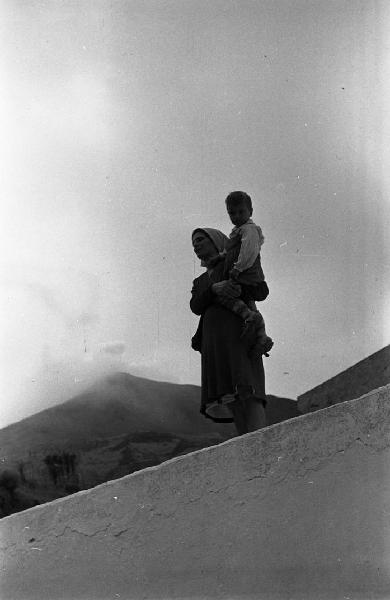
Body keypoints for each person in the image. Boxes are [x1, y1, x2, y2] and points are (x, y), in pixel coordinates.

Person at [191, 227, 267, 435]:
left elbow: (258, 293)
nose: (196, 245)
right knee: (229, 393)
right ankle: (246, 441)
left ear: (215, 240)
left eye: (200, 239)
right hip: (213, 342)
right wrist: (214, 289)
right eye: (193, 243)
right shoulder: (200, 281)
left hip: (239, 333)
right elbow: (196, 305)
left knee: (248, 389)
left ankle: (260, 441)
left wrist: (261, 330)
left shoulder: (234, 265)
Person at [209, 191, 273, 357]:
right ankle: (262, 338)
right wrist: (221, 257)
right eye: (232, 213)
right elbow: (231, 250)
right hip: (244, 276)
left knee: (226, 297)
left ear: (250, 212)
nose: (236, 216)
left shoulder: (249, 230)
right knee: (249, 303)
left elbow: (248, 252)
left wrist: (237, 269)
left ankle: (249, 317)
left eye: (241, 212)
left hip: (246, 276)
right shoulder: (238, 232)